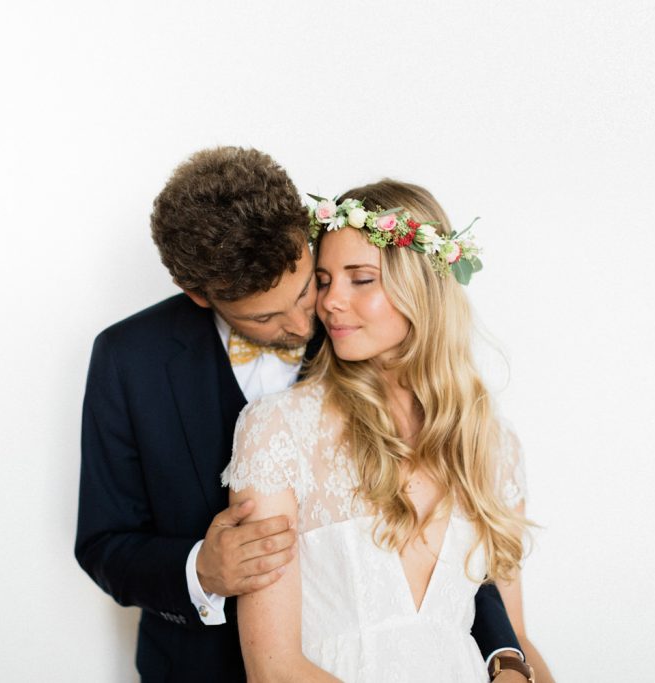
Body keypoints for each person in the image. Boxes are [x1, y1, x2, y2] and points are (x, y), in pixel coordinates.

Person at [76, 149, 526, 682]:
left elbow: (452, 549)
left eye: (307, 286)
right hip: (199, 667)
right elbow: (105, 542)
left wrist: (504, 655)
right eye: (265, 316)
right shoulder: (129, 359)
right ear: (200, 295)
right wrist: (201, 570)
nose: (307, 320)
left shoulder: (360, 336)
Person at [224, 179, 554, 682]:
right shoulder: (278, 431)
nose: (330, 302)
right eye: (325, 280)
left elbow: (517, 640)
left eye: (360, 279)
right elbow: (273, 668)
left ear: (421, 286)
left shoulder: (492, 445)